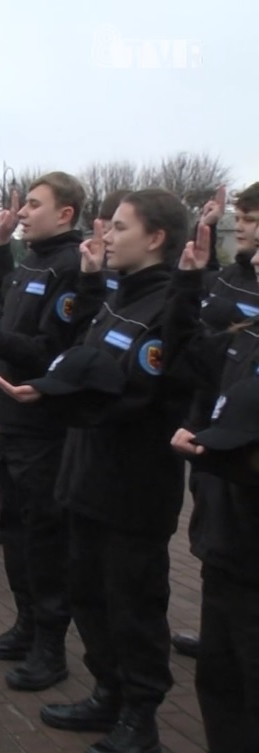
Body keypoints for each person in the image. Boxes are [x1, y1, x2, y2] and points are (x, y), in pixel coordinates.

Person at [0, 188, 191, 753]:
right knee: (88, 592)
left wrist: (57, 397)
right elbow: (78, 358)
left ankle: (140, 718)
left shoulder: (167, 310)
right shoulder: (117, 297)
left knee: (133, 605)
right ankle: (107, 692)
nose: (105, 237)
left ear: (155, 239)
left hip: (133, 488)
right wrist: (54, 387)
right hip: (85, 476)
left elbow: (135, 394)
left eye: (121, 228)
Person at [0, 173, 89, 692]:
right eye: (23, 205)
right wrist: (1, 247)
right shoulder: (32, 259)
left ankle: (50, 649)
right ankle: (25, 625)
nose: (23, 212)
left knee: (45, 539)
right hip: (12, 422)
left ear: (66, 214)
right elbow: (6, 302)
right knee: (15, 531)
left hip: (44, 427)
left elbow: (49, 349)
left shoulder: (71, 265)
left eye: (35, 205)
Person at [166, 182, 258, 753]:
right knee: (221, 685)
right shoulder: (247, 334)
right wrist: (188, 283)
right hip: (232, 540)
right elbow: (190, 361)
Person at [170, 184, 248, 660]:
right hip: (210, 427)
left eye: (254, 222)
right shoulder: (228, 278)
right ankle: (215, 630)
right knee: (213, 536)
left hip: (243, 441)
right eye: (245, 221)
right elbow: (198, 344)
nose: (247, 231)